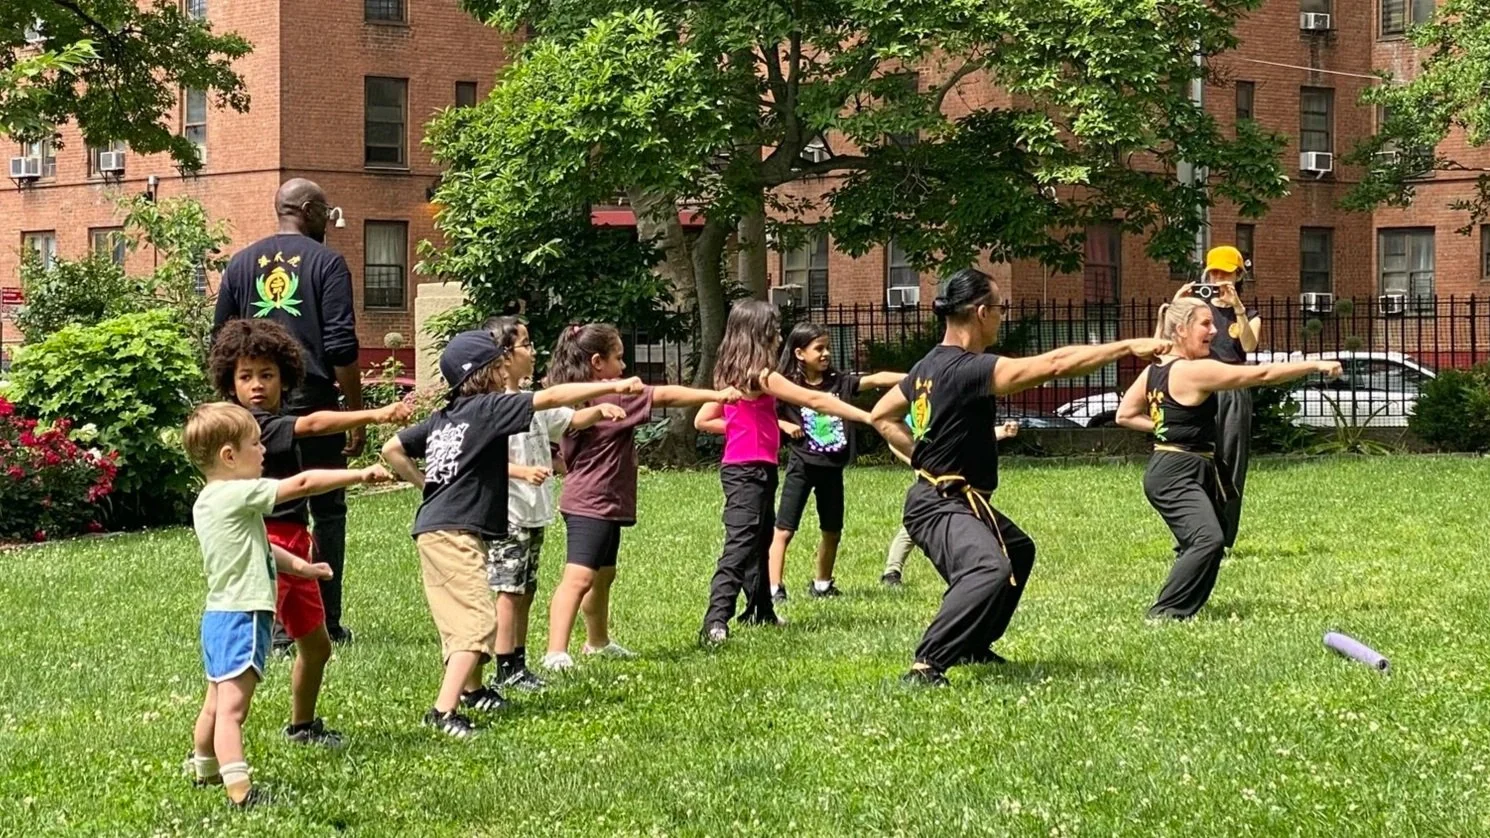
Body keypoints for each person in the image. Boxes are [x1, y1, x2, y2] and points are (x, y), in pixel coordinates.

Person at [869, 268, 1167, 686]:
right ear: (981, 311)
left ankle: (972, 643)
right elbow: (1056, 364)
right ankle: (927, 663)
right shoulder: (966, 369)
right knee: (988, 569)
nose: (1003, 317)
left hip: (952, 498)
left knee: (1018, 550)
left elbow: (882, 415)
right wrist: (1129, 347)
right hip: (940, 504)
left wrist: (922, 455)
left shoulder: (927, 365)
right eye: (1000, 309)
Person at [381, 330, 644, 738]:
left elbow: (392, 449)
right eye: (499, 366)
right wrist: (612, 385)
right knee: (477, 622)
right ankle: (442, 711)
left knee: (460, 620)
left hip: (435, 527)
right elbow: (551, 399)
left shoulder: (446, 415)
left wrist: (426, 486)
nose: (505, 371)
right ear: (485, 374)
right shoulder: (489, 408)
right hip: (455, 531)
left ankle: (472, 691)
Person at [207, 319, 411, 747]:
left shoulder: (264, 421)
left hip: (295, 542)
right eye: (245, 377)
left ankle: (303, 728)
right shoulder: (248, 426)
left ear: (286, 376)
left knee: (316, 646)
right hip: (266, 547)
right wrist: (376, 413)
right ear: (230, 381)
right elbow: (314, 426)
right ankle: (210, 749)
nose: (257, 385)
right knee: (235, 673)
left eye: (267, 374)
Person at [181, 402, 389, 806]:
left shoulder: (209, 501)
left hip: (218, 617)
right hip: (242, 617)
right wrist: (361, 474)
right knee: (233, 711)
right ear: (229, 456)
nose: (263, 452)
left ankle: (204, 768)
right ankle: (240, 791)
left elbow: (262, 550)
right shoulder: (236, 494)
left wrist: (303, 569)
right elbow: (305, 483)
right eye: (256, 445)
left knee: (215, 701)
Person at [1117, 297, 1339, 619]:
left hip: (1183, 465)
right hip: (1177, 471)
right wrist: (1314, 365)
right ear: (1181, 329)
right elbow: (1261, 375)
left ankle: (1184, 608)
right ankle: (1164, 614)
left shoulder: (1155, 371)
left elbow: (1125, 414)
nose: (1214, 330)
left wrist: (1170, 429)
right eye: (1205, 324)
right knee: (1208, 538)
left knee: (1208, 539)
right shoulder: (1193, 371)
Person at [540, 323, 742, 671]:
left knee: (603, 575)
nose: (623, 367)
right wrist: (716, 396)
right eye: (619, 359)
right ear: (596, 361)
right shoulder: (608, 394)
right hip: (591, 501)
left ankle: (597, 642)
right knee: (579, 577)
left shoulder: (572, 394)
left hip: (604, 499)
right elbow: (665, 396)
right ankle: (555, 652)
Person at [214, 178, 363, 645]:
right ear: (306, 210)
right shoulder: (327, 263)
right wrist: (355, 409)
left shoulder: (240, 264)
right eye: (326, 211)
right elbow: (340, 344)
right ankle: (326, 621)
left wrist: (232, 405)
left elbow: (222, 340)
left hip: (254, 410)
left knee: (268, 509)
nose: (329, 220)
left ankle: (277, 624)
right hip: (312, 402)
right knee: (329, 510)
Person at [695, 301, 874, 646]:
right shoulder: (761, 374)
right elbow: (815, 400)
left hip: (754, 468)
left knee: (761, 539)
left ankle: (760, 609)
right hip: (746, 472)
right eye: (774, 330)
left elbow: (704, 420)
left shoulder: (731, 371)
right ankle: (715, 620)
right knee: (740, 544)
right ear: (758, 333)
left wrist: (750, 429)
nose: (778, 336)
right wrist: (867, 418)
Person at [484, 316, 626, 691]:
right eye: (525, 345)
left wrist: (598, 410)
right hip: (507, 511)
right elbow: (479, 458)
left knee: (526, 589)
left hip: (532, 511)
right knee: (508, 591)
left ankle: (518, 660)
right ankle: (504, 668)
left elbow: (568, 419)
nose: (532, 352)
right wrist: (519, 472)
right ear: (503, 355)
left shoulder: (530, 400)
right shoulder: (491, 404)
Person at [768, 322, 904, 602]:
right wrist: (783, 425)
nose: (826, 353)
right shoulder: (788, 386)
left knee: (832, 529)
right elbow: (767, 415)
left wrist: (917, 376)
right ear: (799, 353)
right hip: (802, 465)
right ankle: (774, 587)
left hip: (832, 468)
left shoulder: (838, 382)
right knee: (784, 528)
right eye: (819, 348)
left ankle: (822, 584)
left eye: (827, 347)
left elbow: (876, 379)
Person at [1167, 245, 1262, 554]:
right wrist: (1177, 307)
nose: (1219, 278)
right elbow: (1170, 343)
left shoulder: (1248, 312)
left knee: (1231, 464)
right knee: (1194, 459)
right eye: (1214, 272)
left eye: (1226, 272)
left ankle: (1223, 538)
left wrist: (1238, 308)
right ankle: (1194, 535)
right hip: (1198, 385)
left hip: (1232, 388)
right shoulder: (1197, 312)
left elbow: (1249, 345)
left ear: (1239, 275)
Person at [881, 420, 1018, 586]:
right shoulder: (922, 413)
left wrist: (1001, 432)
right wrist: (918, 462)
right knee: (921, 525)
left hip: (959, 479)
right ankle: (891, 572)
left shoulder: (952, 413)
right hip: (937, 482)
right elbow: (891, 436)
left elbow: (969, 438)